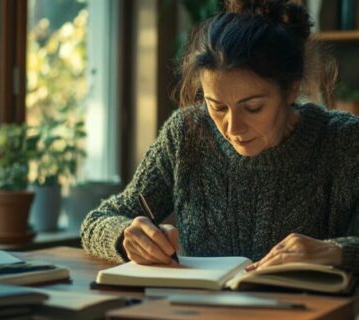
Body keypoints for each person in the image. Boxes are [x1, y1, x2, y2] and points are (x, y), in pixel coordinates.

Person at [81, 0, 359, 273]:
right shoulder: (186, 134)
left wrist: (336, 252)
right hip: (197, 312)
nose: (233, 127)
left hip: (306, 316)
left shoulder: (343, 141)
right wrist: (126, 236)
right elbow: (97, 221)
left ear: (290, 89)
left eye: (253, 108)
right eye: (217, 107)